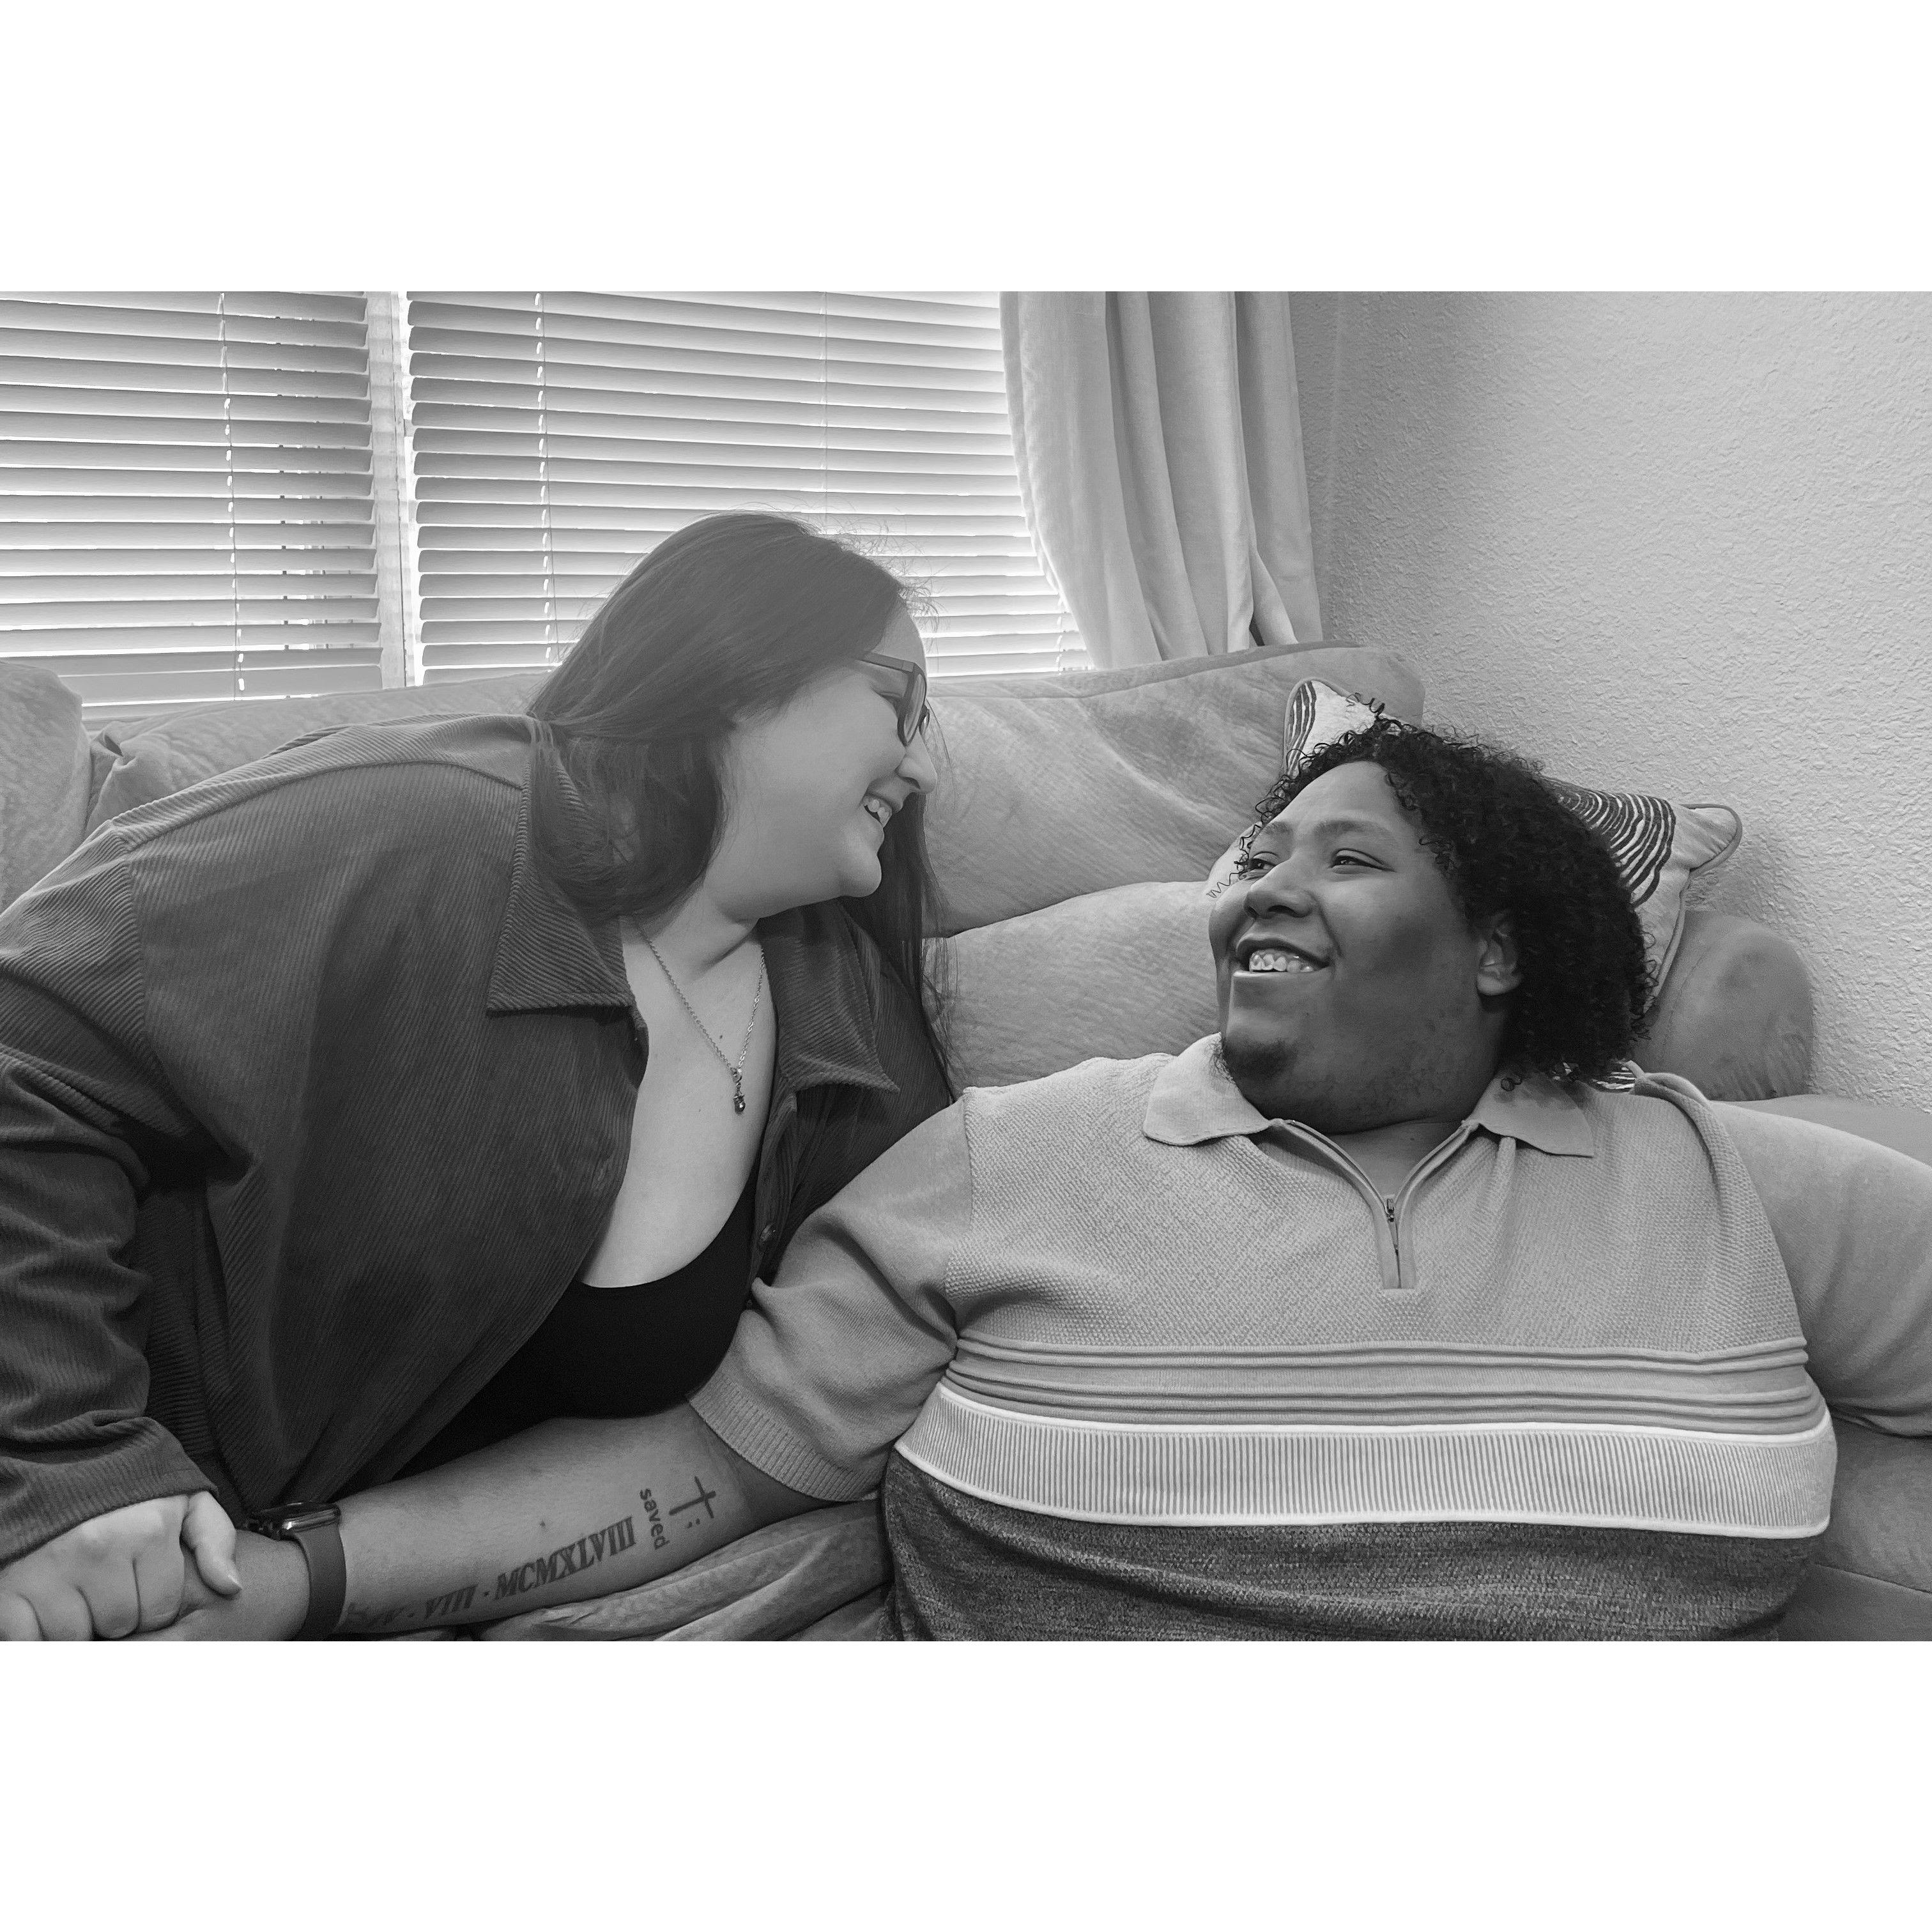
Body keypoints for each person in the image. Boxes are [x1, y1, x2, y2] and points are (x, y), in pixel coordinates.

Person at [130, 717, 1932, 1641]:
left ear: (1501, 950)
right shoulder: (1016, 1158)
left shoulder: (1727, 1180)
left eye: (1346, 857)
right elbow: (703, 1466)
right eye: (1254, 853)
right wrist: (298, 1581)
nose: (1262, 884)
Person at [0, 511, 953, 1641]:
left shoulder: (850, 1026)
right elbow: (23, 1050)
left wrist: (291, 1581)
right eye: (899, 702)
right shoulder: (416, 829)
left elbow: (803, 1408)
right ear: (742, 672)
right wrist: (71, 1459)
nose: (921, 762)